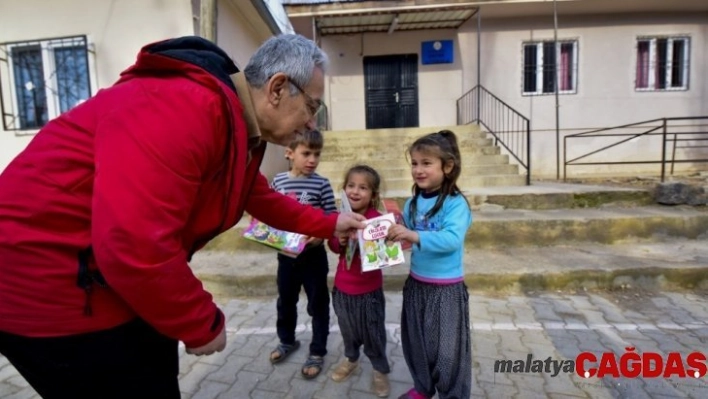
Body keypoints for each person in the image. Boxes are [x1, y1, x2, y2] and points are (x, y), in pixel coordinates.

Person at [0, 34, 365, 399]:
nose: (313, 123)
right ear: (278, 88)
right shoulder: (184, 107)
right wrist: (200, 322)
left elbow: (257, 195)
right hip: (53, 291)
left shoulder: (234, 124)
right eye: (312, 106)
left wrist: (330, 223)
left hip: (105, 283)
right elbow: (135, 246)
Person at [386, 131, 473, 399]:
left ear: (447, 167)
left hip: (446, 290)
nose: (418, 170)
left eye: (426, 163)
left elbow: (451, 239)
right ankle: (423, 388)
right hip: (417, 285)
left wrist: (412, 234)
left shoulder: (456, 204)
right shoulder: (412, 203)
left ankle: (452, 394)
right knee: (417, 344)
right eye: (414, 163)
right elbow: (408, 240)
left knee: (446, 352)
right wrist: (387, 237)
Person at [268, 128, 334, 379]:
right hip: (286, 256)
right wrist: (269, 233)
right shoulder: (279, 182)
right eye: (306, 153)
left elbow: (330, 218)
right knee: (286, 301)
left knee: (318, 304)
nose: (312, 160)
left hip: (313, 257)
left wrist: (319, 236)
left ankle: (317, 351)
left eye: (317, 154)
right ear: (289, 153)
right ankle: (287, 341)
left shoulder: (322, 184)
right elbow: (272, 214)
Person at [328, 164, 391, 397]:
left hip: (369, 292)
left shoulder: (378, 220)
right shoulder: (341, 217)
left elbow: (384, 253)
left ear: (373, 195)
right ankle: (351, 359)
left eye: (363, 187)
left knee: (373, 333)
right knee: (348, 330)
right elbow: (333, 246)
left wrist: (373, 239)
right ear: (344, 190)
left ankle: (379, 369)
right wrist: (341, 240)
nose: (355, 191)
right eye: (351, 186)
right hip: (342, 290)